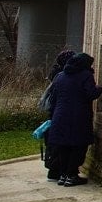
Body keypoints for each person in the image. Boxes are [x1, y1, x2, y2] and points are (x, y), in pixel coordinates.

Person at [45, 52, 102, 186]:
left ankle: (63, 175)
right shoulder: (85, 75)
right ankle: (72, 175)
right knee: (78, 146)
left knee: (63, 146)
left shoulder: (60, 76)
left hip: (60, 116)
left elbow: (53, 98)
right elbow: (91, 94)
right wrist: (100, 89)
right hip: (78, 117)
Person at [41, 48, 76, 181]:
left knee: (55, 143)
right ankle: (56, 171)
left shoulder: (56, 73)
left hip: (55, 111)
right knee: (59, 144)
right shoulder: (62, 74)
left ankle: (54, 170)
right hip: (58, 111)